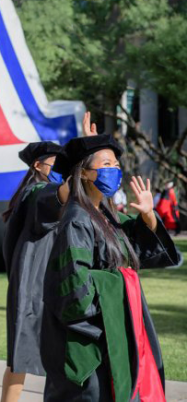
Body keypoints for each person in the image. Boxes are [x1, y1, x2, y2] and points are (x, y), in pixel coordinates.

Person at [41, 134, 183, 401]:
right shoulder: (77, 220)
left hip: (114, 332)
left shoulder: (106, 216)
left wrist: (148, 215)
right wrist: (116, 291)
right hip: (91, 339)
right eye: (106, 164)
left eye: (117, 165)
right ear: (84, 173)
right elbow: (73, 290)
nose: (114, 170)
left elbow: (144, 250)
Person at [0, 112, 97, 402]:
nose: (60, 170)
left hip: (49, 279)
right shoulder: (36, 192)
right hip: (35, 285)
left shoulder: (37, 191)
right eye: (57, 164)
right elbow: (63, 193)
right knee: (23, 353)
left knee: (51, 351)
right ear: (37, 165)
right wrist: (86, 153)